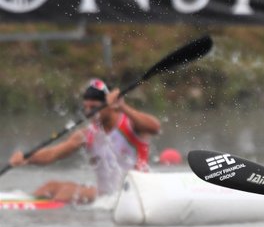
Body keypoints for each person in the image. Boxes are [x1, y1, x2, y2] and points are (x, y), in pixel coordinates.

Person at [7, 79, 161, 204]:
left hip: (137, 193)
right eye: (86, 107)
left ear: (109, 106)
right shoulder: (87, 134)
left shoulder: (130, 124)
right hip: (106, 197)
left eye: (93, 107)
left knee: (66, 192)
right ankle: (22, 204)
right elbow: (53, 154)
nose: (89, 112)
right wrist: (26, 159)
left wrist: (123, 107)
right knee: (51, 186)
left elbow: (155, 127)